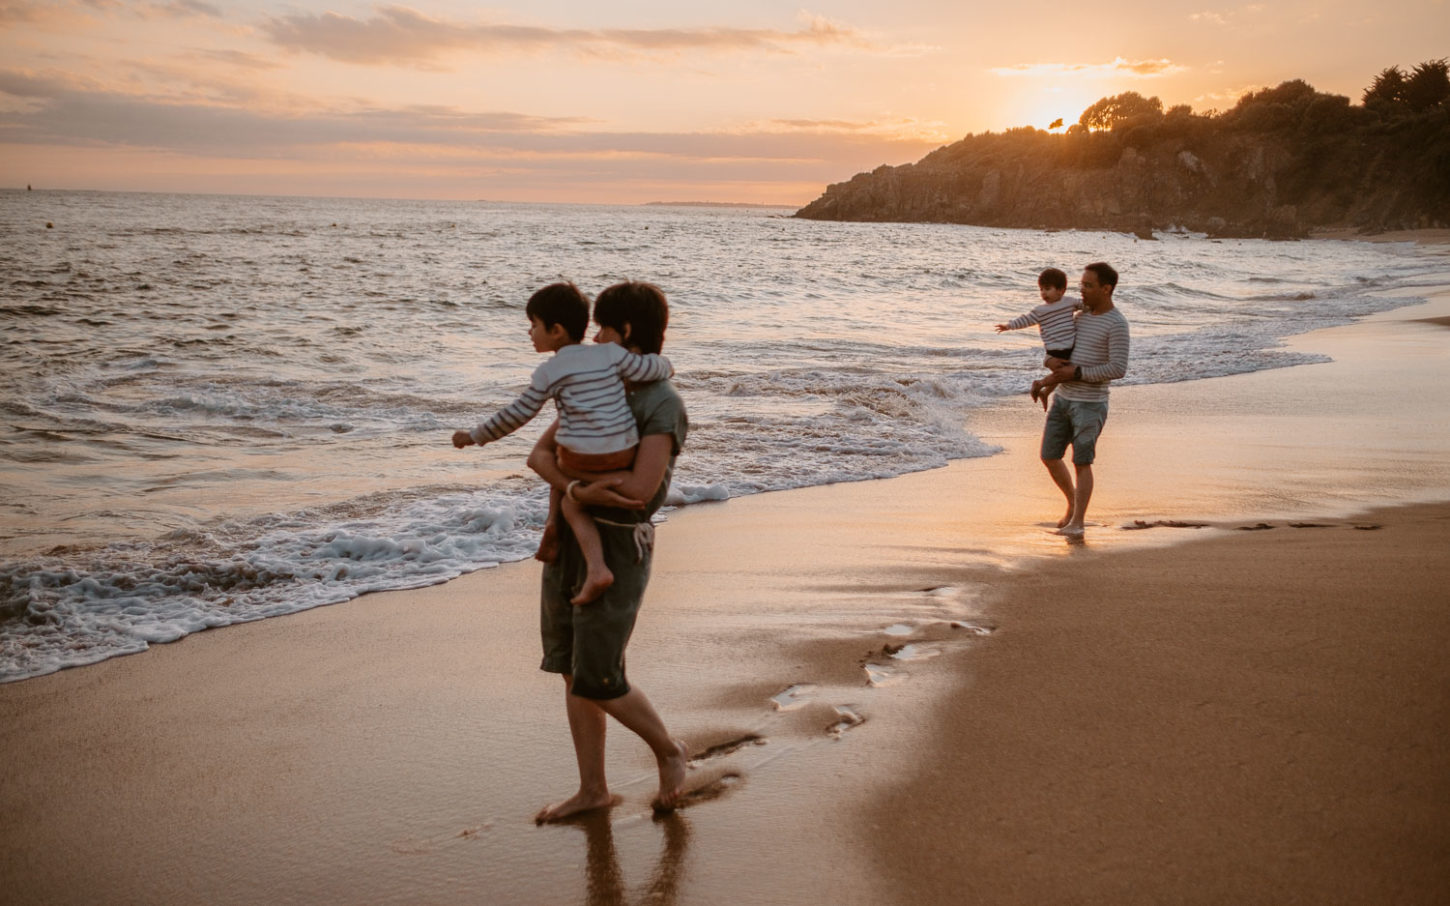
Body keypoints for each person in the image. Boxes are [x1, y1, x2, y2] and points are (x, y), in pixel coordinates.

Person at [524, 280, 690, 823]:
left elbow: (640, 491)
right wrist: (576, 492)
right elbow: (540, 453)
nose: (592, 338)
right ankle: (593, 789)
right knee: (573, 669)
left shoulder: (663, 402)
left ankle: (668, 751)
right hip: (570, 537)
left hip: (618, 546)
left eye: (602, 328)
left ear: (626, 333)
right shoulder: (602, 382)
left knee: (600, 674)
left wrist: (581, 484)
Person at [452, 282, 673, 605]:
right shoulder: (610, 356)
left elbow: (517, 414)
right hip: (620, 451)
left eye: (533, 325)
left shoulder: (549, 372)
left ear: (555, 331)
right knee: (567, 457)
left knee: (570, 494)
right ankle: (557, 522)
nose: (530, 333)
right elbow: (648, 367)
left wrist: (475, 436)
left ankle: (592, 562)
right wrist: (668, 367)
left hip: (584, 463)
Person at [1039, 262, 1130, 537]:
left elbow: (1118, 369)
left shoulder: (1117, 324)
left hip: (1091, 404)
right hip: (1063, 399)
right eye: (1081, 285)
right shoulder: (1078, 319)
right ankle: (1072, 503)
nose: (1082, 291)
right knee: (1049, 456)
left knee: (1082, 462)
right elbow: (1059, 354)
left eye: (1088, 286)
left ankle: (1078, 522)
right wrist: (1049, 365)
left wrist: (1078, 372)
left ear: (1106, 288)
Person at [995, 267, 1082, 409]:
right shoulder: (1041, 311)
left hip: (1069, 352)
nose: (1043, 293)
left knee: (1063, 375)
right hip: (1053, 355)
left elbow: (1085, 305)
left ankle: (1045, 393)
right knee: (1063, 374)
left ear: (1061, 290)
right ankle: (1039, 384)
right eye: (1041, 289)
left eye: (1047, 289)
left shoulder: (1070, 302)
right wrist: (1008, 326)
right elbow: (1025, 320)